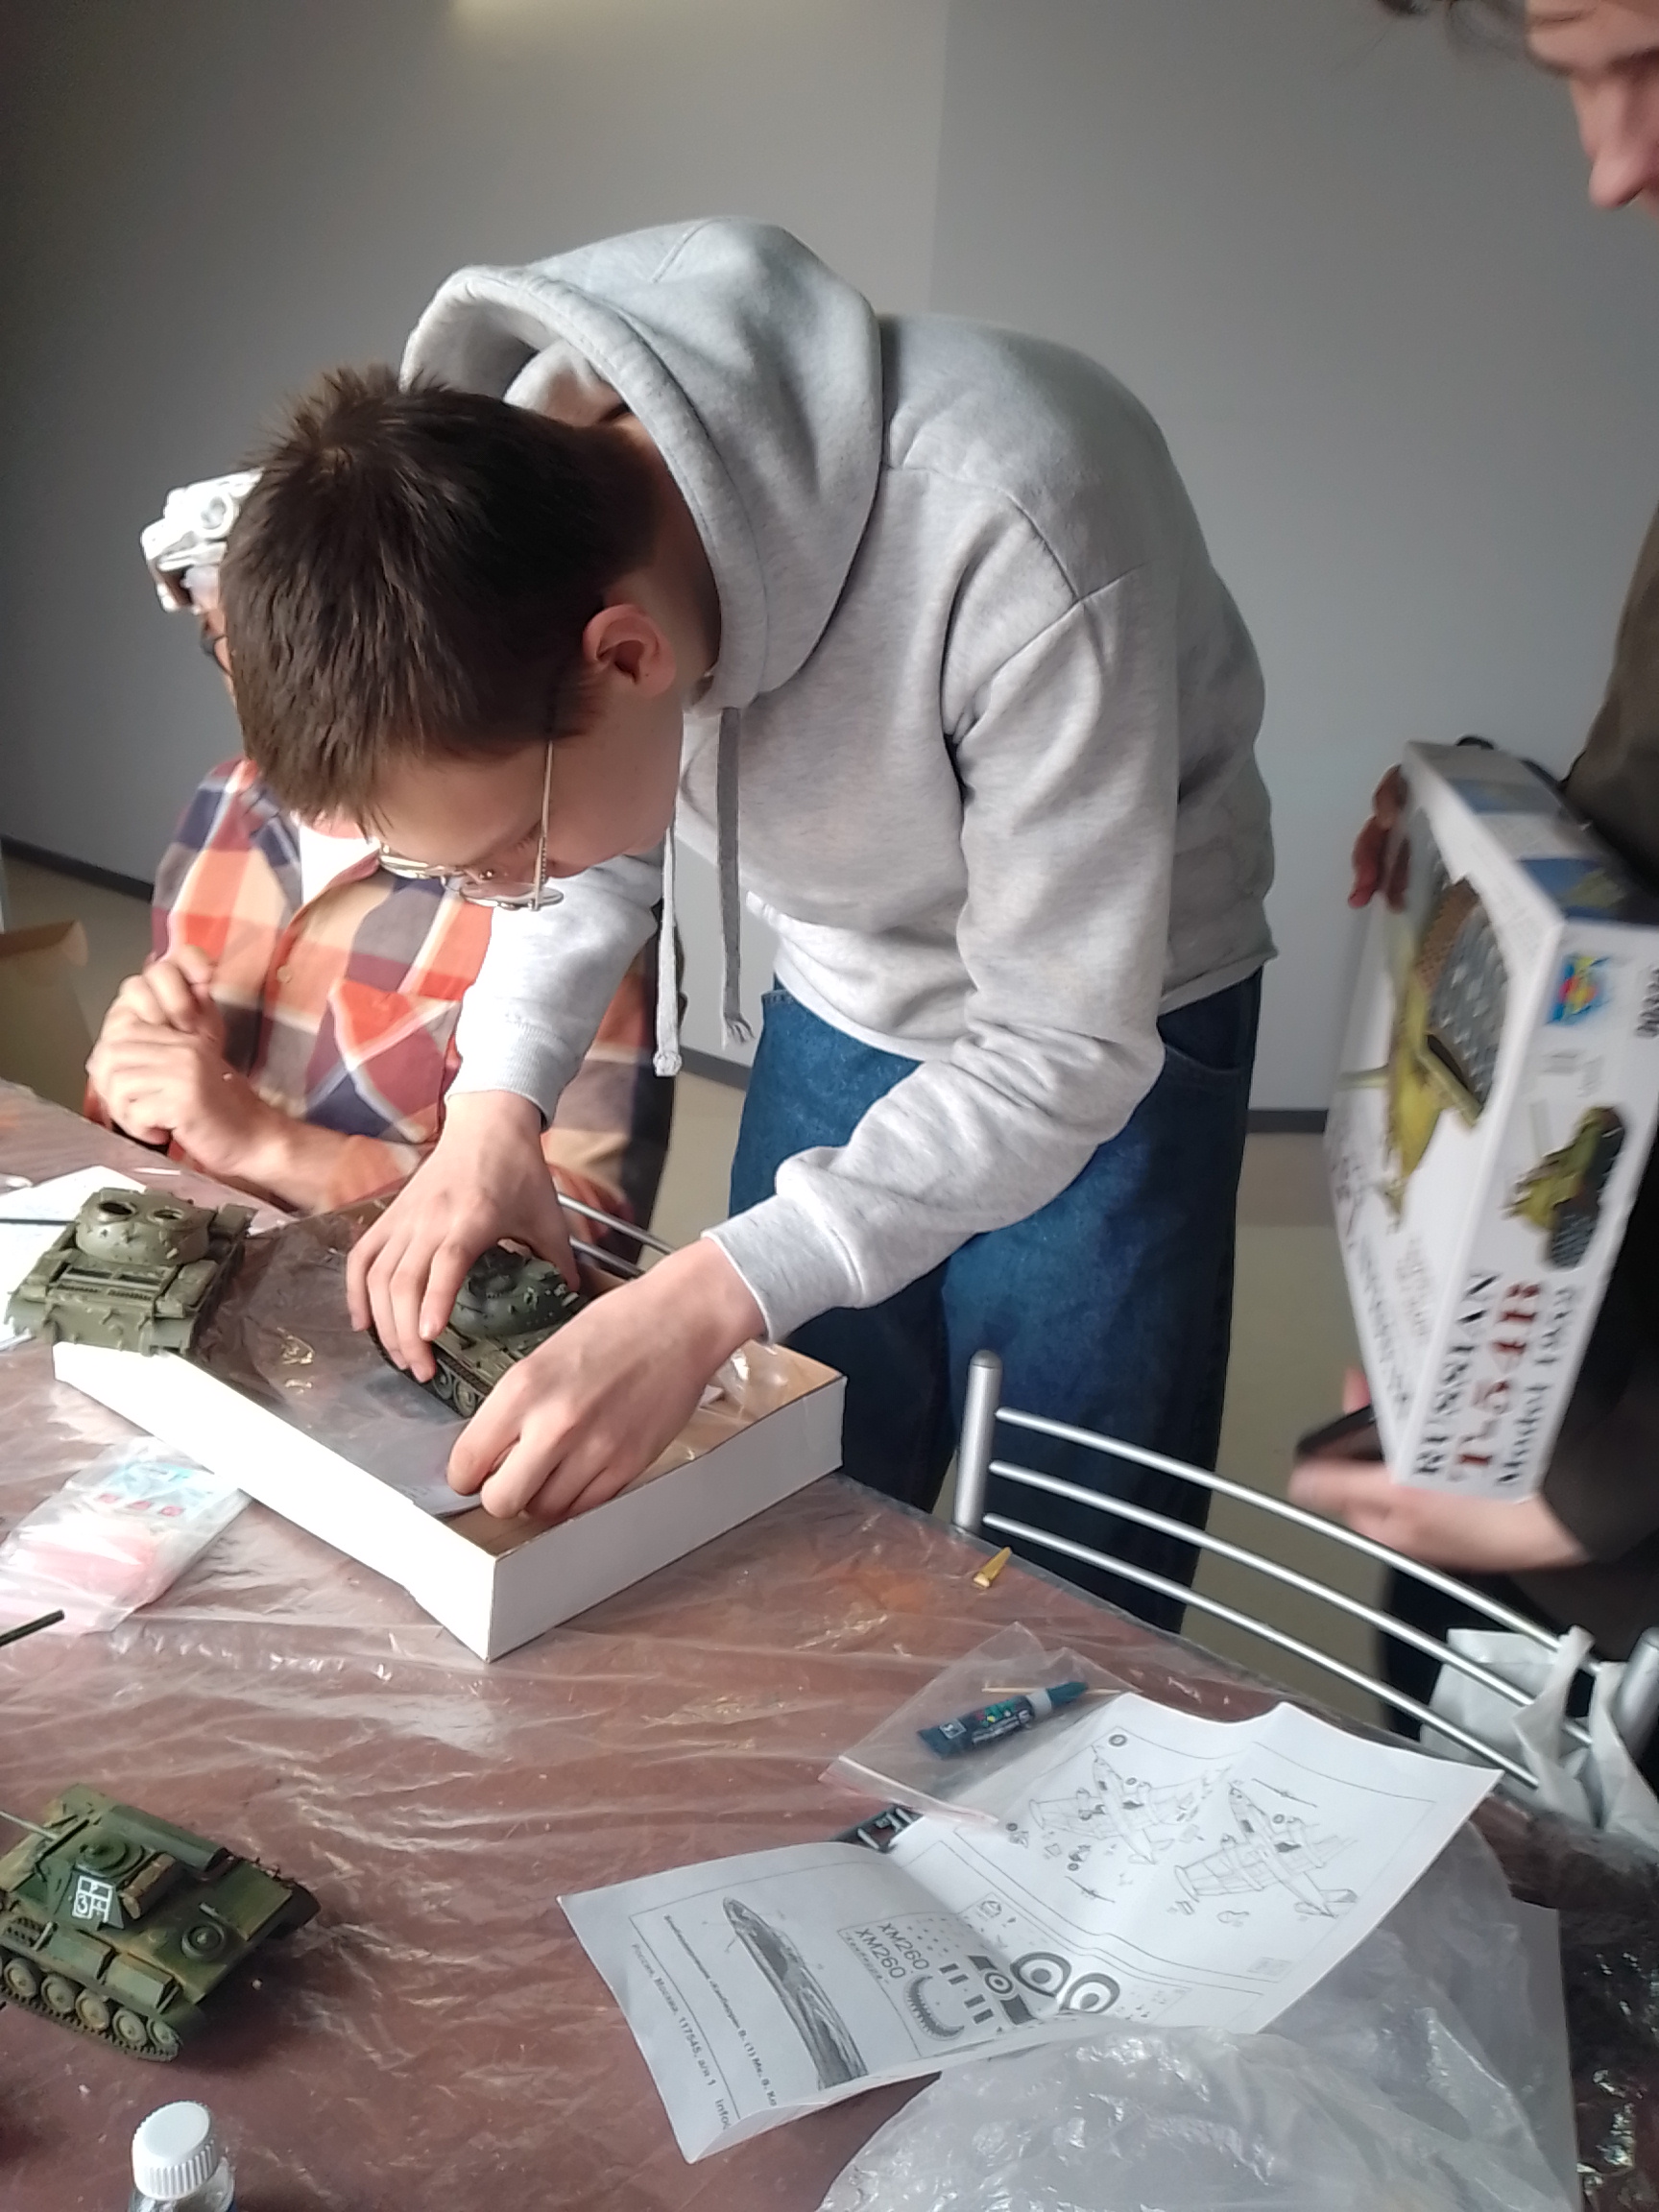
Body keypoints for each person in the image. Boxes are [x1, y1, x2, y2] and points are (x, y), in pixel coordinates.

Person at [209, 221, 1275, 1602]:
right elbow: (585, 837)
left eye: (503, 856)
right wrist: (491, 1114)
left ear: (628, 657)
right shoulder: (511, 567)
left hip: (1116, 1017)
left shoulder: (1018, 515)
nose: (504, 895)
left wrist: (699, 1298)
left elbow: (1060, 1044)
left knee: (1069, 1556)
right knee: (800, 1477)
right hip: (843, 989)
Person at [1294, 0, 1659, 1713]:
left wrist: (1593, 1494)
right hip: (1550, 1396)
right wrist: (1497, 846)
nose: (1610, 168)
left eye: (1649, 63)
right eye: (1578, 84)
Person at [85, 475, 673, 1233]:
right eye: (228, 642)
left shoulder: (563, 867)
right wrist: (135, 1088)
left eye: (294, 649)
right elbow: (134, 1136)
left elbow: (584, 1241)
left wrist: (269, 1147)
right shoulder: (225, 800)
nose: (265, 688)